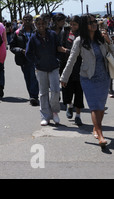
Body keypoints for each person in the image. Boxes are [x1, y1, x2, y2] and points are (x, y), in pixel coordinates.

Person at [60, 14, 114, 148]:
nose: (94, 24)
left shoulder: (101, 38)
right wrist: (64, 77)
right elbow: (71, 60)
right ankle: (100, 135)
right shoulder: (79, 40)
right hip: (88, 78)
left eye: (95, 21)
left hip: (104, 78)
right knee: (95, 107)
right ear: (85, 25)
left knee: (100, 107)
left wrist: (109, 41)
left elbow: (112, 53)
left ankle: (96, 128)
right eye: (91, 22)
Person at [26, 14, 66, 126]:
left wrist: (57, 58)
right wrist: (36, 62)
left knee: (55, 91)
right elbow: (28, 53)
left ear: (47, 24)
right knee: (43, 93)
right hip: (40, 69)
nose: (41, 26)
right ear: (35, 25)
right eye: (38, 24)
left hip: (53, 67)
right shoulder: (33, 38)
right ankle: (45, 116)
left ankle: (54, 112)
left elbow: (58, 47)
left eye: (43, 23)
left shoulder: (53, 35)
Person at [9, 14, 39, 106]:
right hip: (23, 59)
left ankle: (34, 96)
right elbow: (12, 46)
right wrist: (21, 50)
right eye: (25, 19)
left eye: (29, 19)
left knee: (33, 76)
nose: (27, 21)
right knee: (28, 77)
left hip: (35, 58)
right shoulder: (18, 32)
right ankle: (32, 95)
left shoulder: (37, 32)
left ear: (32, 21)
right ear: (22, 20)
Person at [59, 16, 84, 125]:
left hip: (80, 66)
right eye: (71, 24)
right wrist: (70, 52)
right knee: (67, 89)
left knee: (79, 91)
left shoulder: (83, 35)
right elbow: (60, 47)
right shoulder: (65, 32)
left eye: (75, 24)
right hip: (67, 65)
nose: (72, 26)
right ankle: (69, 106)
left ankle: (78, 115)